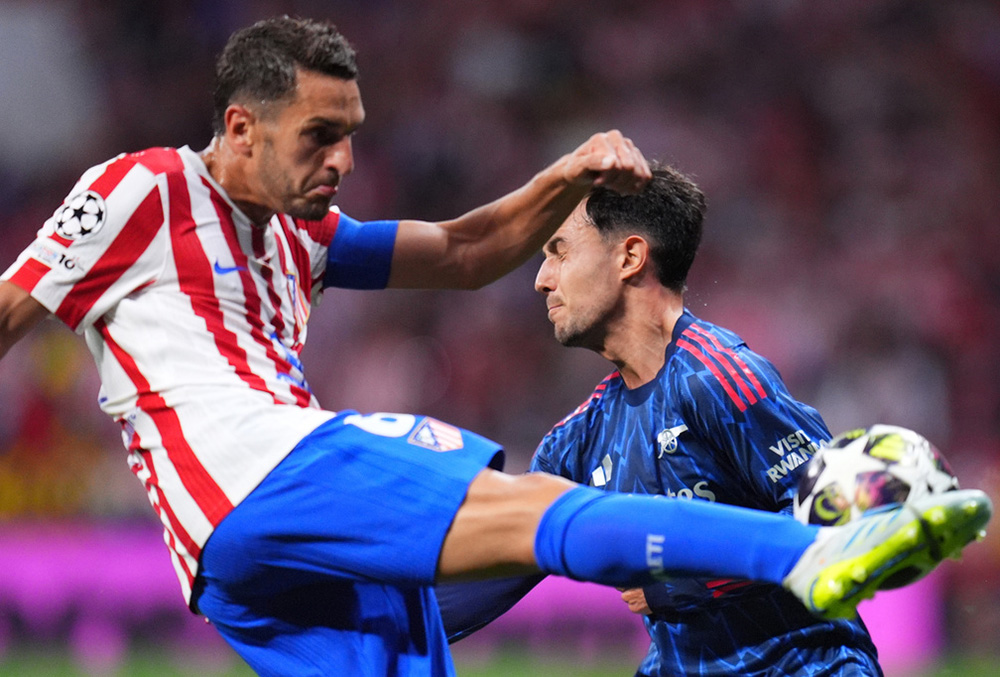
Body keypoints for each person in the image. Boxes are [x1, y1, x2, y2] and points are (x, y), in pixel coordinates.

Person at [0, 16, 990, 677]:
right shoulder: (142, 188)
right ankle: (811, 554)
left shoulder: (304, 233)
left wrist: (563, 175)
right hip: (257, 467)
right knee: (542, 504)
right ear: (239, 127)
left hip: (237, 559)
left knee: (424, 619)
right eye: (319, 135)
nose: (344, 159)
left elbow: (466, 251)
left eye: (351, 133)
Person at [436, 164, 888, 675]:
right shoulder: (577, 440)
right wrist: (379, 619)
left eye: (559, 251)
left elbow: (837, 520)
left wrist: (684, 580)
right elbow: (501, 564)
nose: (542, 280)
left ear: (629, 257)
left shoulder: (718, 378)